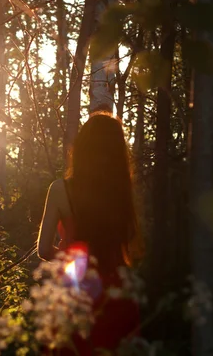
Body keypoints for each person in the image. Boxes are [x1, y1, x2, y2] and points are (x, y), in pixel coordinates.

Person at [36, 111, 144, 355]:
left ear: (82, 147)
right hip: (117, 291)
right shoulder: (121, 191)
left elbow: (43, 250)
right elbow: (127, 239)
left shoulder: (60, 189)